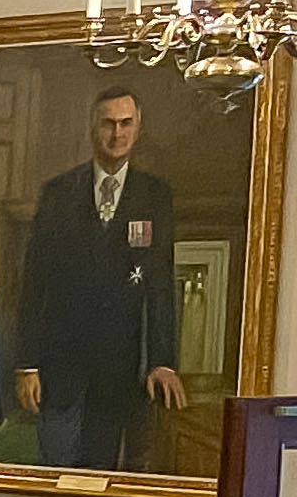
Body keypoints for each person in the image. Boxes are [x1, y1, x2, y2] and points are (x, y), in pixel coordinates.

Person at [11, 85, 183, 473]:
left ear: (138, 128)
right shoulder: (57, 194)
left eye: (126, 124)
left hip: (118, 376)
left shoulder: (155, 195)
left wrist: (162, 361)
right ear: (93, 128)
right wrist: (27, 365)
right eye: (108, 124)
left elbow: (159, 284)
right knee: (53, 477)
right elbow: (33, 283)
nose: (117, 133)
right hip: (59, 371)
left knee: (101, 475)